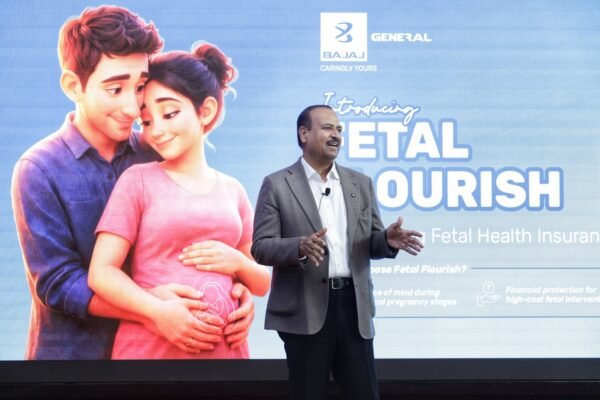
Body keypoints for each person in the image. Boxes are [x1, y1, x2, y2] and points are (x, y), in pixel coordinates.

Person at [11, 5, 255, 360]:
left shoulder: (157, 150)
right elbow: (58, 283)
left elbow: (198, 238)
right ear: (73, 86)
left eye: (139, 86)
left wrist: (233, 294)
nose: (132, 107)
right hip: (74, 362)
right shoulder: (39, 168)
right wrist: (152, 310)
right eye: (115, 89)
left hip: (161, 357)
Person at [87, 43, 270, 359]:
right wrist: (156, 310)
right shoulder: (138, 181)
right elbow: (101, 273)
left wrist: (239, 265)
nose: (156, 130)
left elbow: (263, 282)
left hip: (227, 359)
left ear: (205, 111)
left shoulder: (233, 190)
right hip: (150, 354)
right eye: (146, 122)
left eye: (169, 113)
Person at [251, 105, 424, 400]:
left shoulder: (360, 183)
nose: (336, 135)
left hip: (353, 307)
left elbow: (369, 243)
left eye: (340, 130)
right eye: (328, 128)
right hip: (305, 309)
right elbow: (261, 247)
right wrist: (298, 246)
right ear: (303, 133)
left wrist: (386, 240)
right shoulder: (278, 184)